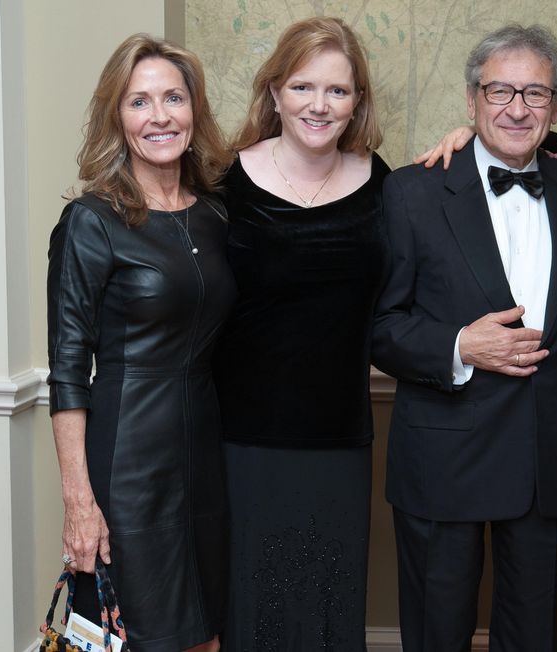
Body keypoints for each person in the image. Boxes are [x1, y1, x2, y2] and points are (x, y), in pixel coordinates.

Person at [371, 24, 557, 652]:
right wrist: (459, 347)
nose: (517, 108)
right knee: (436, 635)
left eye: (536, 94)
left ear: (555, 108)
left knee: (535, 637)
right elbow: (380, 327)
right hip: (444, 457)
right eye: (499, 92)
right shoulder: (412, 191)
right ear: (470, 99)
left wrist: (508, 128)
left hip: (545, 459)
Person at [46, 34, 233, 651]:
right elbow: (69, 368)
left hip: (207, 457)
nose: (159, 117)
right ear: (117, 118)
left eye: (173, 98)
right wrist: (80, 503)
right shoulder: (91, 222)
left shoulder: (218, 212)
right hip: (128, 463)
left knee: (206, 635)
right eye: (138, 102)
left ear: (193, 110)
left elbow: (306, 157)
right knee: (139, 637)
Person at [211, 16, 387, 651]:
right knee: (253, 614)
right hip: (244, 442)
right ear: (274, 91)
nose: (320, 105)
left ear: (357, 102)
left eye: (338, 91)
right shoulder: (219, 185)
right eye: (303, 87)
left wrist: (463, 139)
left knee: (328, 616)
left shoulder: (384, 184)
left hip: (340, 442)